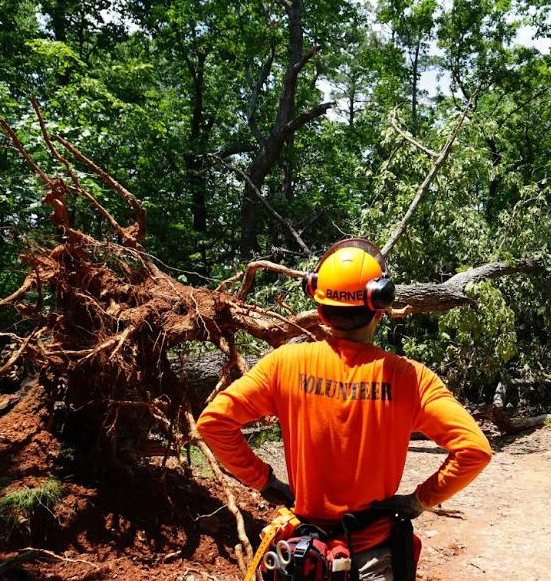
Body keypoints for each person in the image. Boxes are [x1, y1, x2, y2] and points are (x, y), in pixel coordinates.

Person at [197, 238, 492, 580]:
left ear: (321, 310)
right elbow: (475, 451)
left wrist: (265, 482)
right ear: (380, 306)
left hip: (302, 559)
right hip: (373, 558)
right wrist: (418, 500)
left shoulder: (285, 364)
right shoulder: (410, 378)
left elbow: (213, 422)